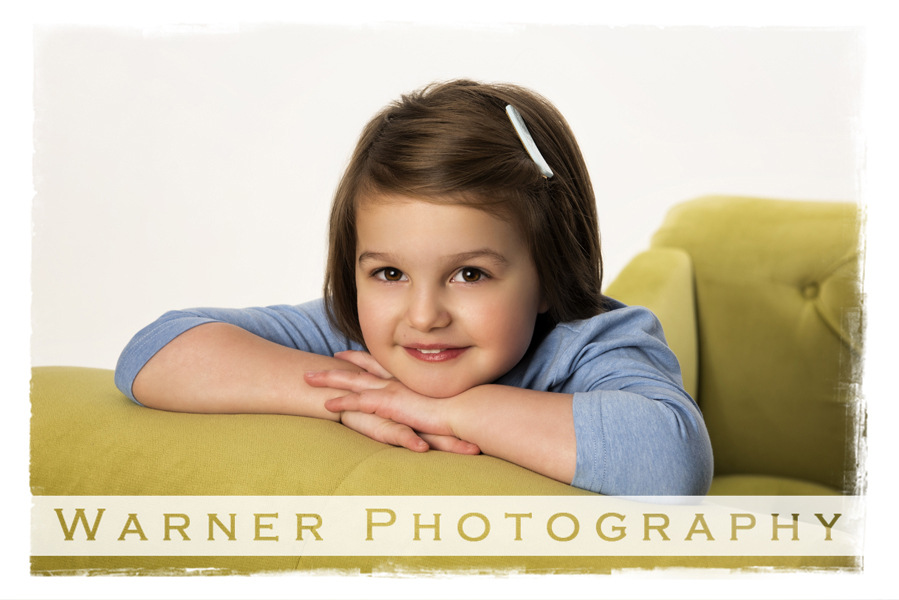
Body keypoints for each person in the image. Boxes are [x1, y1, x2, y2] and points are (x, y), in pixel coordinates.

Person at [115, 79, 713, 496]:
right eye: (389, 273)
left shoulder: (595, 343)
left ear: (552, 273)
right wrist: (349, 400)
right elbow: (154, 351)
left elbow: (671, 464)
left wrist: (441, 409)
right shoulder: (351, 332)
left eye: (470, 274)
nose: (422, 315)